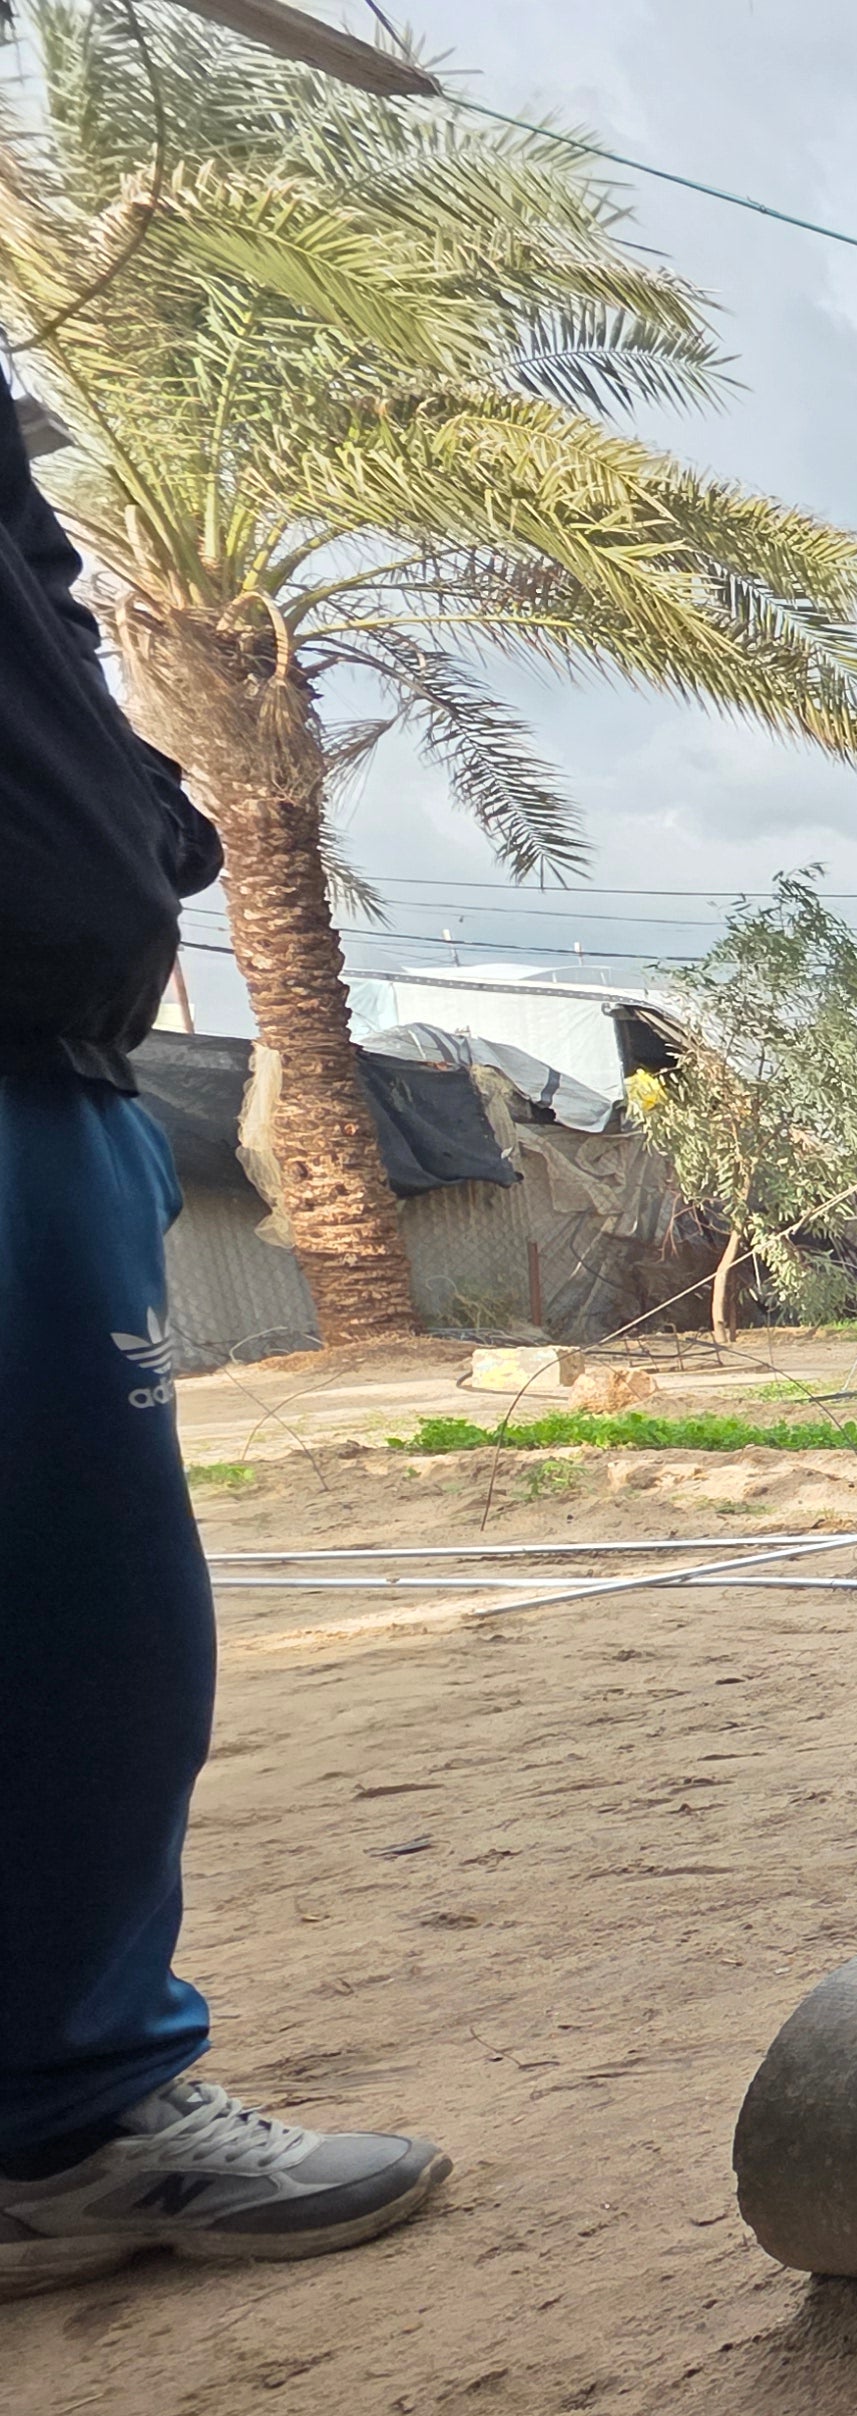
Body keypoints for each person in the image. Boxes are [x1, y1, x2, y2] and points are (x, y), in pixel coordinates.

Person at [0, 357, 449, 2297]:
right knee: (88, 1612)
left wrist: (138, 822)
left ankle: (63, 2110)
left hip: (57, 1073)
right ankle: (70, 2114)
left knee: (88, 1612)